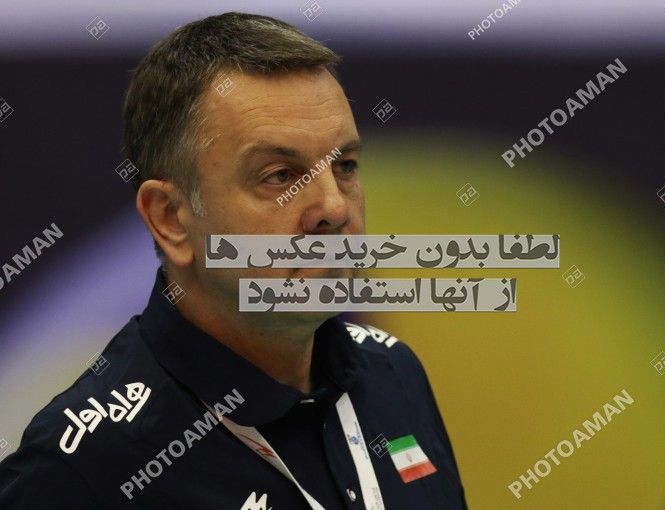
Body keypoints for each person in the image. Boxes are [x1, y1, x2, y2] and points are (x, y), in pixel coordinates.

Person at [0, 12, 467, 509]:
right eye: (280, 175)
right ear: (170, 218)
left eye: (345, 166)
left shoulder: (393, 373)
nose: (334, 207)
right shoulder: (79, 469)